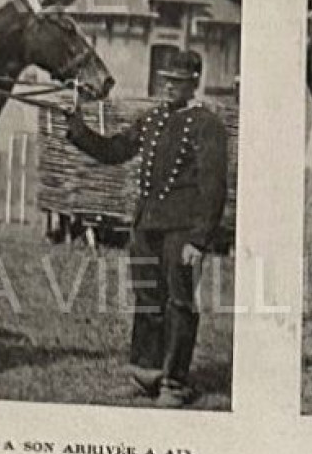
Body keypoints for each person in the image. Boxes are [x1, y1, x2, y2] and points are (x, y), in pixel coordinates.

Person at [64, 49, 229, 407]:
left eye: (178, 83)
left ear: (194, 84)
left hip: (183, 230)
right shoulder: (152, 120)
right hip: (147, 227)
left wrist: (199, 240)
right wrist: (78, 128)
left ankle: (174, 382)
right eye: (167, 81)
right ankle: (145, 374)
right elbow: (115, 151)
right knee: (147, 299)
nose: (170, 88)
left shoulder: (207, 125)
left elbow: (214, 188)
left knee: (180, 303)